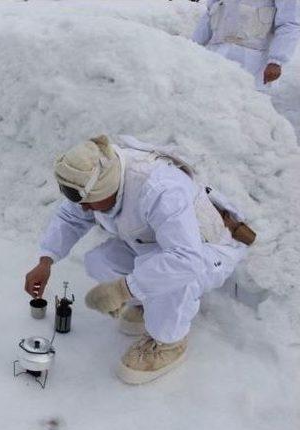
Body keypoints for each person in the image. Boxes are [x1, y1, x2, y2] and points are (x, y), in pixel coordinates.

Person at [24, 135, 252, 384]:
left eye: (89, 203)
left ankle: (169, 342)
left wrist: (122, 290)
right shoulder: (95, 177)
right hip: (156, 244)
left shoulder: (160, 189)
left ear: (107, 188)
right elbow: (71, 218)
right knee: (100, 261)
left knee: (174, 277)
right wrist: (46, 260)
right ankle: (149, 304)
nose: (85, 209)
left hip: (206, 249)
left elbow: (185, 259)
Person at [192, 0, 300, 89]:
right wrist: (192, 47)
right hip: (217, 56)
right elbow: (210, 13)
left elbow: (288, 24)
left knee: (243, 107)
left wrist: (276, 61)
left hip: (252, 64)